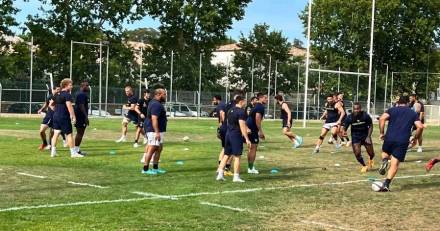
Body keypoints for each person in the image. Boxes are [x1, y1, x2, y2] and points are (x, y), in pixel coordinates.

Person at [377, 95, 424, 192]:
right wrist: (415, 138)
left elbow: (382, 119)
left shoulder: (392, 110)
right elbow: (420, 126)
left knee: (385, 152)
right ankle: (386, 184)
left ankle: (385, 160)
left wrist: (382, 133)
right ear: (407, 103)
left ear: (398, 102)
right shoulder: (412, 113)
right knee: (394, 164)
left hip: (389, 138)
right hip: (402, 140)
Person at [216, 95, 251, 182]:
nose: (245, 103)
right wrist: (247, 138)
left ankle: (220, 174)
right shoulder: (241, 112)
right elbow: (242, 126)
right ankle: (236, 177)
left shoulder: (230, 110)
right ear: (241, 101)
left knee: (226, 155)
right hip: (236, 135)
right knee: (237, 156)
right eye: (245, 101)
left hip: (228, 134)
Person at [50, 78, 83, 158]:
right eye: (70, 85)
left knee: (56, 134)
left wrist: (56, 111)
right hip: (63, 117)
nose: (72, 86)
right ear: (66, 85)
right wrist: (73, 116)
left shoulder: (57, 94)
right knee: (69, 135)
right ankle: (73, 153)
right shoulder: (67, 95)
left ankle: (53, 152)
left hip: (56, 117)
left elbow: (51, 104)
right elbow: (69, 106)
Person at [341, 102, 375, 173]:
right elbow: (345, 128)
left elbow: (371, 126)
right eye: (355, 109)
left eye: (358, 109)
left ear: (360, 109)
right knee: (357, 153)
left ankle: (371, 159)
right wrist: (344, 132)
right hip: (355, 136)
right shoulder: (349, 117)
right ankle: (364, 165)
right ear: (353, 109)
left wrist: (368, 136)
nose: (356, 110)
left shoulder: (365, 115)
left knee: (371, 153)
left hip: (365, 136)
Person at [141, 88, 168, 175]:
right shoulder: (156, 104)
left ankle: (155, 168)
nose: (165, 96)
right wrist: (156, 132)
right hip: (153, 130)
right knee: (152, 148)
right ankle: (145, 169)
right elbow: (154, 118)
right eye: (164, 94)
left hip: (158, 130)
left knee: (159, 148)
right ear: (159, 94)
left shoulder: (157, 103)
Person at [246, 93, 267, 174]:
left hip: (248, 128)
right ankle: (250, 168)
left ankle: (250, 167)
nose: (266, 99)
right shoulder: (260, 107)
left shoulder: (256, 106)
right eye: (265, 98)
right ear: (260, 98)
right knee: (253, 148)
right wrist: (260, 131)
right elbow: (257, 118)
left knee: (250, 148)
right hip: (252, 130)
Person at [212, 95, 233, 176]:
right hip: (226, 128)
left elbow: (222, 113)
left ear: (217, 99)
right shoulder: (222, 105)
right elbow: (222, 113)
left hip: (224, 128)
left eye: (213, 100)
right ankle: (225, 168)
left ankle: (220, 168)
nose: (213, 101)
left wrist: (221, 124)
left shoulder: (221, 105)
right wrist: (223, 123)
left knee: (225, 148)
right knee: (230, 149)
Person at [37, 86, 59, 151]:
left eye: (59, 89)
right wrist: (41, 109)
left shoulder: (60, 97)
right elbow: (46, 104)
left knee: (52, 132)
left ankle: (50, 145)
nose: (58, 91)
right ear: (54, 90)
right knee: (41, 131)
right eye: (57, 89)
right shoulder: (50, 96)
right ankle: (44, 143)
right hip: (48, 116)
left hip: (56, 116)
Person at [74, 81, 90, 155]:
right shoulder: (81, 94)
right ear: (82, 86)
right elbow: (81, 106)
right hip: (80, 116)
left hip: (80, 116)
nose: (88, 87)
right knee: (80, 133)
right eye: (87, 85)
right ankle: (75, 150)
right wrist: (86, 117)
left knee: (80, 133)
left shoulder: (81, 94)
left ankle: (77, 150)